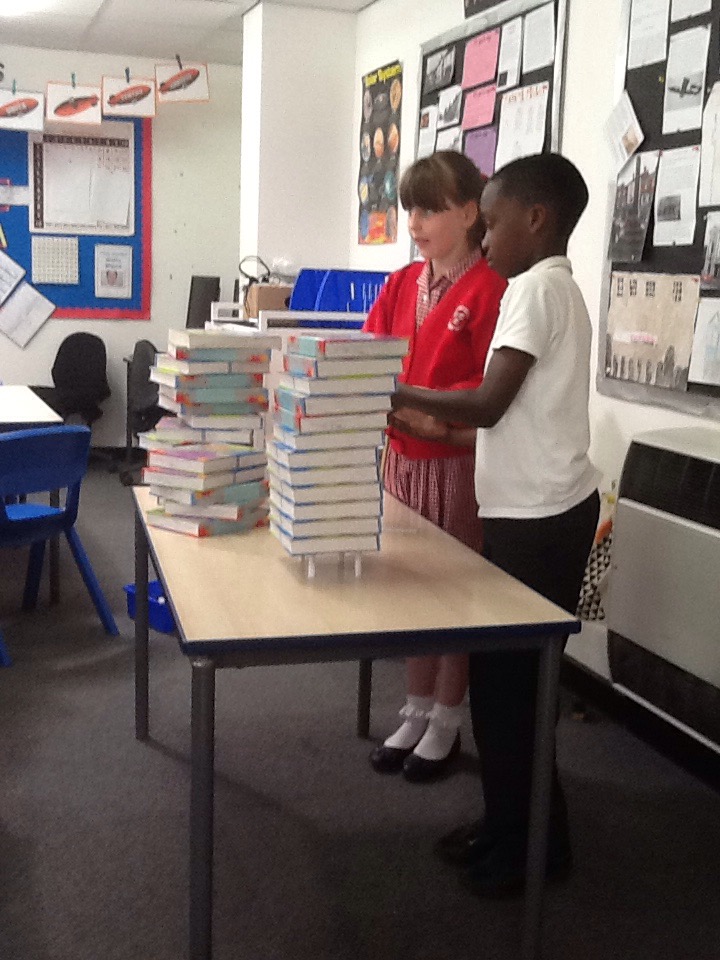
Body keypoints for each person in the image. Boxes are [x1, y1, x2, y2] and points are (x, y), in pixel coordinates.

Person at [390, 152, 600, 893]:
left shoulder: (535, 290)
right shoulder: (550, 288)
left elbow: (488, 402)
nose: (484, 240)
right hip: (533, 508)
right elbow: (511, 415)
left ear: (536, 220)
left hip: (539, 519)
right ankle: (508, 824)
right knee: (502, 687)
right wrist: (432, 419)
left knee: (514, 694)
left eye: (495, 223)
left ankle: (535, 848)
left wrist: (398, 391)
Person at [363, 150, 507, 782]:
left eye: (430, 210)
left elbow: (493, 389)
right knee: (409, 590)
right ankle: (415, 708)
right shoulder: (401, 283)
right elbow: (370, 354)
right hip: (400, 462)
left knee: (452, 594)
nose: (415, 223)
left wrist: (438, 421)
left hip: (454, 467)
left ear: (470, 213)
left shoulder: (491, 289)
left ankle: (447, 719)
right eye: (411, 210)